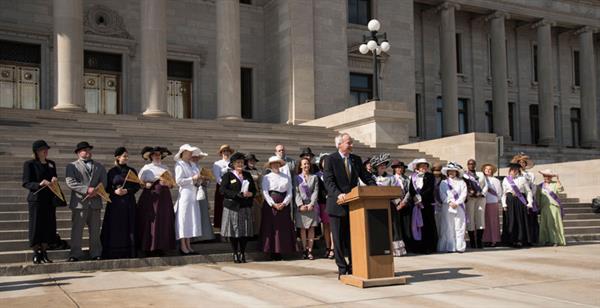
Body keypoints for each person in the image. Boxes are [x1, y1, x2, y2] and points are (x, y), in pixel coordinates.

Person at [323, 133, 375, 278]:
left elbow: (366, 176)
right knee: (338, 240)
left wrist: (374, 187)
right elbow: (328, 180)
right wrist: (338, 194)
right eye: (349, 143)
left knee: (353, 238)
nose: (351, 145)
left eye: (351, 142)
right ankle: (342, 268)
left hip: (354, 206)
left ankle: (354, 265)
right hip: (337, 204)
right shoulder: (330, 159)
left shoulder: (356, 159)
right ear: (340, 144)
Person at [65, 141, 106, 262]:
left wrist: (97, 190)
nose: (88, 152)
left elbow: (104, 182)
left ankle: (96, 252)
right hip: (79, 203)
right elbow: (70, 182)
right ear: (78, 153)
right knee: (77, 230)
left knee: (95, 230)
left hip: (95, 203)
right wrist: (87, 190)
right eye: (85, 150)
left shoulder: (99, 166)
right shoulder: (72, 166)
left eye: (89, 150)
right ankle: (75, 253)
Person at [22, 140, 60, 264]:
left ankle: (44, 252)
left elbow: (54, 178)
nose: (46, 151)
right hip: (36, 200)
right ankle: (36, 252)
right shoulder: (30, 164)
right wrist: (39, 184)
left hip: (49, 200)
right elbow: (26, 182)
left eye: (46, 149)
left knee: (48, 226)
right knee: (36, 225)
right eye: (43, 149)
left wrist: (54, 180)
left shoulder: (51, 164)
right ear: (36, 151)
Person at [100, 147, 139, 259]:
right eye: (124, 156)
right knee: (115, 226)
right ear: (118, 157)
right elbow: (107, 188)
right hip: (115, 203)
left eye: (127, 156)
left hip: (129, 203)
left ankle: (129, 252)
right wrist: (114, 191)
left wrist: (127, 190)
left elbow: (137, 186)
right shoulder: (112, 172)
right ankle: (114, 251)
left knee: (128, 225)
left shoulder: (132, 171)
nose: (126, 158)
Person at [137, 146, 176, 256]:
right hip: (150, 198)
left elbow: (172, 184)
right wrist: (146, 184)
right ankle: (148, 246)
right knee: (151, 221)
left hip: (164, 198)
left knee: (162, 221)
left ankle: (161, 246)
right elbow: (139, 182)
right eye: (155, 155)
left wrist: (168, 183)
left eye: (159, 155)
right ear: (151, 156)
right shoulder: (146, 168)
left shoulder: (166, 168)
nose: (157, 156)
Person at [220, 152, 257, 263]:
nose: (240, 164)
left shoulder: (248, 175)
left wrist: (251, 194)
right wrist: (236, 194)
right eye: (237, 162)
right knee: (234, 232)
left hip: (245, 206)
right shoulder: (228, 175)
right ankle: (235, 252)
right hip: (232, 207)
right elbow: (222, 190)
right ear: (233, 164)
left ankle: (242, 252)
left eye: (241, 162)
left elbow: (254, 190)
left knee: (245, 231)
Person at [261, 156, 297, 260]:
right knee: (271, 227)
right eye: (273, 164)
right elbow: (265, 192)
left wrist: (284, 203)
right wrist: (273, 204)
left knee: (283, 228)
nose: (275, 165)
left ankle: (282, 250)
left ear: (280, 165)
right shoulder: (266, 177)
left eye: (277, 163)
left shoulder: (286, 177)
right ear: (270, 166)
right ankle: (271, 251)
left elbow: (290, 192)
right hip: (271, 204)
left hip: (283, 204)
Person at [374, 155, 407, 257]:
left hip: (389, 204)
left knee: (393, 227)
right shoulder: (371, 177)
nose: (382, 167)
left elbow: (396, 191)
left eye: (384, 165)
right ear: (376, 167)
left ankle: (396, 251)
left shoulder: (391, 177)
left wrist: (398, 202)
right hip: (374, 205)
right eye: (380, 165)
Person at [174, 144, 203, 255]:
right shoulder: (179, 164)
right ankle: (183, 245)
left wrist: (199, 179)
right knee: (184, 218)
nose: (191, 153)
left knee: (191, 218)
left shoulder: (192, 164)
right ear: (183, 152)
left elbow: (197, 177)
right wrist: (192, 178)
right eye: (189, 152)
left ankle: (188, 243)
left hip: (193, 193)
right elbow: (179, 181)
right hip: (185, 193)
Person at [501, 163, 534, 247]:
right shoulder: (506, 179)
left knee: (520, 220)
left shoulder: (523, 179)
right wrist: (504, 204)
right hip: (510, 201)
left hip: (520, 200)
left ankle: (520, 240)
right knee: (511, 220)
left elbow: (528, 191)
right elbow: (504, 193)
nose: (513, 172)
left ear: (518, 171)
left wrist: (529, 202)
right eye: (512, 170)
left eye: (515, 170)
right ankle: (511, 240)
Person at [438, 162, 468, 253]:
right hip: (447, 206)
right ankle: (450, 246)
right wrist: (449, 201)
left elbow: (464, 194)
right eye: (449, 171)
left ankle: (460, 247)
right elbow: (442, 194)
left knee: (460, 226)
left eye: (453, 171)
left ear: (456, 172)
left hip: (459, 207)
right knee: (448, 226)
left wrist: (457, 203)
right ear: (447, 172)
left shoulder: (462, 182)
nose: (451, 173)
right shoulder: (443, 182)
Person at [294, 157, 320, 260]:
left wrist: (312, 204)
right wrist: (300, 205)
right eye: (304, 164)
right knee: (303, 229)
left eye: (307, 164)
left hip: (311, 206)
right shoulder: (297, 178)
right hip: (301, 207)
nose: (306, 166)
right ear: (300, 166)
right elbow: (296, 192)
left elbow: (315, 191)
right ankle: (304, 249)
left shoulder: (314, 177)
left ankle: (310, 251)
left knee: (311, 229)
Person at [512, 153, 539, 245]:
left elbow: (533, 186)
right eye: (520, 162)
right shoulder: (515, 174)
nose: (522, 164)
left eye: (523, 162)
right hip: (518, 198)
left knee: (531, 219)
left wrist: (531, 197)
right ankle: (520, 239)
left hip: (528, 197)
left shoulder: (530, 174)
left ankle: (531, 239)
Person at [536, 169, 566, 246]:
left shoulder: (555, 184)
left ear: (551, 177)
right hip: (544, 207)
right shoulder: (540, 186)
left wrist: (558, 179)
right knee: (545, 224)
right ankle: (546, 240)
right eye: (545, 176)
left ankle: (556, 240)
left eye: (549, 176)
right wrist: (538, 206)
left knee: (555, 223)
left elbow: (561, 189)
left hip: (554, 206)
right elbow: (538, 197)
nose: (547, 177)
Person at [191, 148, 215, 242]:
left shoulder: (202, 168)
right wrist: (196, 181)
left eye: (197, 157)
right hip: (192, 192)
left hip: (202, 192)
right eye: (194, 157)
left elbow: (208, 182)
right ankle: (193, 236)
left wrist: (205, 181)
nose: (195, 158)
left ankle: (205, 235)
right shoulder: (188, 167)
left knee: (203, 213)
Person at [463, 159, 487, 249]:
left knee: (480, 218)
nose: (471, 166)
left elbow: (485, 185)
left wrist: (482, 193)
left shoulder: (481, 174)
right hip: (470, 198)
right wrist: (470, 193)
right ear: (467, 165)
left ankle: (479, 241)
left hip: (480, 198)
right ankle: (472, 241)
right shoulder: (464, 175)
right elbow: (465, 185)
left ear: (475, 165)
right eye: (469, 164)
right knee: (470, 218)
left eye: (473, 164)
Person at [315, 153, 334, 259]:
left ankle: (333, 248)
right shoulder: (317, 175)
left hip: (332, 201)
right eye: (324, 161)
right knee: (326, 226)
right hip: (322, 203)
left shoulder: (333, 173)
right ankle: (327, 247)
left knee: (333, 226)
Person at [481, 163, 502, 247]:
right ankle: (486, 239)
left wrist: (497, 200)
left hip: (493, 202)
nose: (488, 171)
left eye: (489, 169)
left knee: (493, 222)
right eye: (486, 169)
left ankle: (494, 239)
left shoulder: (495, 180)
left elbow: (499, 192)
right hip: (483, 202)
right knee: (485, 222)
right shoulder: (481, 179)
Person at [212, 144, 233, 229]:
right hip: (222, 188)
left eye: (227, 151)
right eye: (224, 151)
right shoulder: (217, 164)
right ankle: (222, 230)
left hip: (232, 188)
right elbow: (217, 177)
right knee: (221, 208)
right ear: (221, 153)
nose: (226, 153)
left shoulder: (233, 163)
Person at [244, 153, 263, 237]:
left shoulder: (258, 171)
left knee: (257, 215)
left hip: (257, 195)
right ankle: (248, 234)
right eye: (250, 160)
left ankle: (256, 233)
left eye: (253, 161)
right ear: (247, 161)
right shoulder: (244, 171)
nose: (252, 162)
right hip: (247, 195)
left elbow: (260, 183)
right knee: (248, 215)